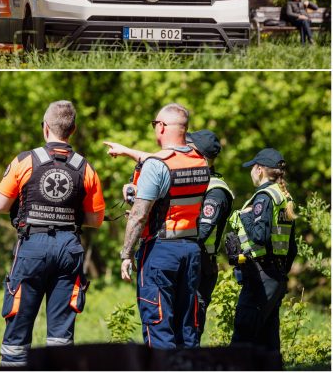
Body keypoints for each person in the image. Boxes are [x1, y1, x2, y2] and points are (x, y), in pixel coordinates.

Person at [0, 101, 105, 367]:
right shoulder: (85, 167)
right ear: (73, 130)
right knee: (61, 338)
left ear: (45, 128)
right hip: (69, 248)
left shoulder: (25, 161)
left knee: (18, 327)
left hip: (32, 247)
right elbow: (96, 219)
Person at [105, 129, 233, 336]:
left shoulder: (214, 188)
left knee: (186, 327)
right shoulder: (193, 174)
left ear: (198, 153)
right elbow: (160, 163)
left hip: (196, 261)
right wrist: (126, 151)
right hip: (186, 255)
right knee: (172, 321)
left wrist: (152, 220)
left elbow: (201, 230)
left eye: (187, 146)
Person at [114, 103, 209, 348]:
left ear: (162, 127)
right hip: (191, 250)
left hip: (160, 251)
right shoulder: (201, 162)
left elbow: (138, 215)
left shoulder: (157, 165)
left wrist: (126, 253)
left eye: (155, 124)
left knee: (158, 326)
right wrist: (128, 152)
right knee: (187, 328)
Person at [227, 148, 297, 353]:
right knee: (268, 343)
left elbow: (259, 236)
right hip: (276, 276)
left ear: (259, 170)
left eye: (252, 168)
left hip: (261, 275)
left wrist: (244, 216)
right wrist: (281, 273)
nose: (251, 172)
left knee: (243, 336)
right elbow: (291, 247)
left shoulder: (264, 196)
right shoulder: (284, 196)